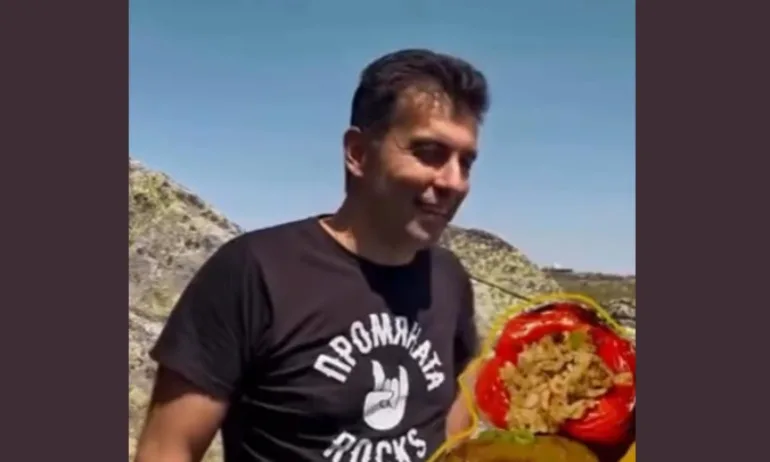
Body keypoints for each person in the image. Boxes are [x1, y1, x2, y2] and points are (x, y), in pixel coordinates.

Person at [134, 48, 491, 462]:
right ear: (358, 153)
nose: (454, 182)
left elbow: (450, 411)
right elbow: (168, 448)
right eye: (429, 152)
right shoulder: (255, 272)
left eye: (466, 163)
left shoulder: (447, 278)